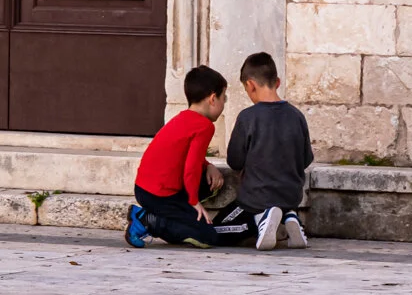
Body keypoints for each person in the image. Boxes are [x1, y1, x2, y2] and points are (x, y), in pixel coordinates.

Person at [124, 65, 245, 249]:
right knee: (207, 238)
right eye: (224, 98)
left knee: (209, 184)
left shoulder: (183, 118)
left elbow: (186, 155)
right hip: (159, 195)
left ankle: (158, 216)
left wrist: (209, 165)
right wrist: (194, 202)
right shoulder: (205, 126)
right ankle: (148, 220)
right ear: (213, 99)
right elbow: (191, 169)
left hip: (145, 188)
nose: (223, 104)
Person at [215, 51, 314, 250]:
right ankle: (289, 216)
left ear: (250, 85)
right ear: (277, 81)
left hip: (256, 200)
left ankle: (262, 218)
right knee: (282, 206)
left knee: (215, 230)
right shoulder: (297, 116)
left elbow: (235, 161)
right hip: (291, 197)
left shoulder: (248, 117)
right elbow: (306, 159)